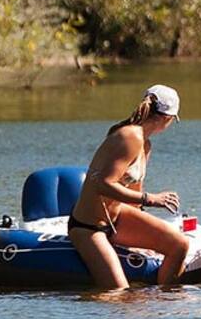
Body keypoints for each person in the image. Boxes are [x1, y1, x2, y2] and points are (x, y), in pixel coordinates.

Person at [68, 84, 189, 290]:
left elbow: (134, 192)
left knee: (179, 245)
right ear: (167, 119)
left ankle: (167, 298)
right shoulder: (129, 136)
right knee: (119, 292)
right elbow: (103, 184)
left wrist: (140, 239)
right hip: (90, 227)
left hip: (119, 219)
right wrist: (151, 199)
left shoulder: (145, 144)